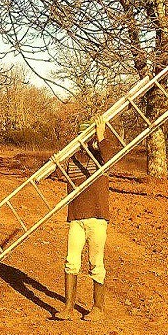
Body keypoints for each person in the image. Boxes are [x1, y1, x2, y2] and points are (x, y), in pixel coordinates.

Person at [55, 117, 122, 322]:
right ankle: (68, 308)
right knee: (71, 262)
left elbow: (111, 157)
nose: (87, 141)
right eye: (84, 136)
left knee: (96, 263)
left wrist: (101, 135)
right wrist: (58, 161)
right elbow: (59, 174)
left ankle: (98, 308)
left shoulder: (102, 157)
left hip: (97, 217)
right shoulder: (73, 158)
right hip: (76, 217)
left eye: (90, 136)